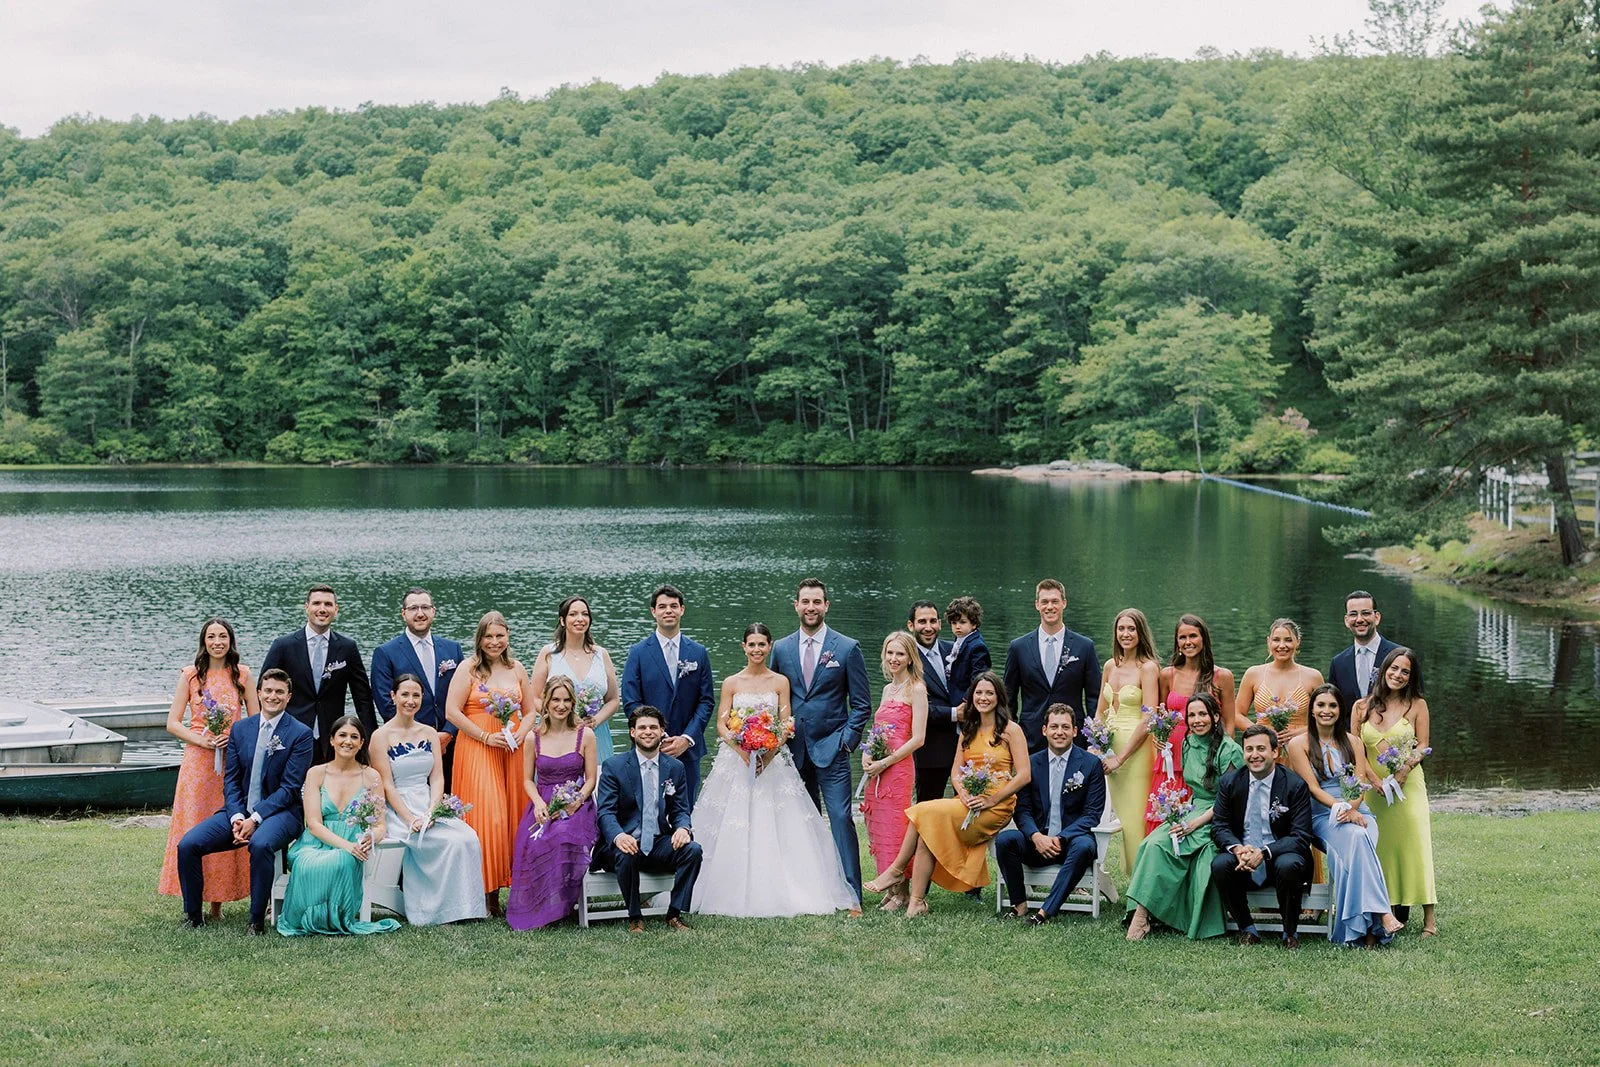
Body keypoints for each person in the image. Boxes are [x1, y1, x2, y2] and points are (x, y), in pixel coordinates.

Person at [691, 624, 858, 917]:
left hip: (772, 759)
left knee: (781, 821)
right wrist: (743, 750)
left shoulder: (780, 682)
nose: (757, 650)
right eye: (751, 644)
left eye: (762, 645)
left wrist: (768, 753)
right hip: (737, 759)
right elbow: (721, 722)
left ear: (770, 647)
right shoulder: (731, 681)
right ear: (743, 646)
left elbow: (786, 724)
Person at [864, 671, 1031, 916]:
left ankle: (896, 870)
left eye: (989, 693)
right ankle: (916, 903)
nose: (983, 698)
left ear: (999, 697)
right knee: (926, 831)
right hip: (966, 802)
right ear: (972, 696)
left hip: (996, 806)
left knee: (922, 811)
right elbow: (956, 773)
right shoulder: (968, 730)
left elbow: (1024, 775)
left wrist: (991, 800)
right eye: (979, 693)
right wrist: (963, 794)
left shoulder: (1011, 730)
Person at [175, 668, 314, 934]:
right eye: (268, 691)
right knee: (188, 845)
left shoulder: (300, 734)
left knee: (261, 844)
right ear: (259, 693)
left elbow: (289, 788)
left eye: (279, 692)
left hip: (282, 814)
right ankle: (193, 917)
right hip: (239, 813)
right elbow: (232, 780)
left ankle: (255, 921)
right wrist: (238, 817)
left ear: (289, 697)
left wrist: (255, 819)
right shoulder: (241, 729)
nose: (273, 696)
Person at [770, 578, 872, 906]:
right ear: (796, 605)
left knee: (841, 818)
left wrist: (847, 740)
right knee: (803, 821)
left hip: (833, 747)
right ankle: (811, 891)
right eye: (805, 602)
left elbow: (861, 703)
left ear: (826, 605)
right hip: (793, 749)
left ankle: (852, 893)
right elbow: (773, 695)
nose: (811, 607)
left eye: (817, 602)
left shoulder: (846, 647)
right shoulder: (782, 648)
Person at [1286, 684, 1406, 947]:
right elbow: (1313, 789)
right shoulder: (1298, 744)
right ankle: (1381, 915)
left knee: (1358, 839)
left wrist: (1352, 808)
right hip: (1322, 816)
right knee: (1356, 838)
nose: (1326, 711)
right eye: (1321, 705)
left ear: (1340, 710)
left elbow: (1360, 786)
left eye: (1332, 705)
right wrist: (1340, 810)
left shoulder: (1353, 742)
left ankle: (1359, 930)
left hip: (1359, 812)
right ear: (1312, 710)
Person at [159, 618, 259, 918]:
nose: (218, 642)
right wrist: (201, 740)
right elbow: (173, 722)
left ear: (231, 640)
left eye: (223, 636)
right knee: (194, 823)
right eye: (212, 636)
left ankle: (219, 901)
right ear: (204, 641)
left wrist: (235, 737)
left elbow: (255, 720)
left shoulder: (242, 675)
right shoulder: (191, 676)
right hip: (198, 762)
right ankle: (193, 900)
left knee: (229, 821)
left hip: (232, 759)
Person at [1124, 693, 1244, 941]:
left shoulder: (1229, 750)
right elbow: (1190, 786)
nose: (1197, 720)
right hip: (1193, 807)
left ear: (1215, 716)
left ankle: (1142, 916)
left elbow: (1229, 801)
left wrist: (1193, 824)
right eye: (1192, 715)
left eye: (1203, 714)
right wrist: (1178, 811)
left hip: (1219, 815)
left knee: (1172, 845)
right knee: (1151, 842)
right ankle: (1143, 911)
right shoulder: (1188, 743)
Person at [370, 674, 487, 926]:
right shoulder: (380, 736)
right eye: (405, 694)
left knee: (467, 838)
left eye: (416, 695)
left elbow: (436, 778)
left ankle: (465, 907)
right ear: (393, 696)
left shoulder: (430, 733)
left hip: (428, 802)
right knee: (438, 842)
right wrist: (411, 818)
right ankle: (430, 910)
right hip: (399, 807)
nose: (410, 701)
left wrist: (433, 811)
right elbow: (387, 784)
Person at [444, 610, 536, 918]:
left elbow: (532, 711)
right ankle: (485, 893)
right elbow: (452, 712)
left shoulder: (517, 668)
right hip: (477, 747)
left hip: (511, 748)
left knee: (513, 816)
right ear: (479, 639)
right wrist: (485, 736)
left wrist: (521, 733)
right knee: (489, 818)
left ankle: (509, 889)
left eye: (500, 635)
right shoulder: (468, 668)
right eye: (488, 636)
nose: (494, 642)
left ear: (508, 636)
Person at [275, 715, 402, 936]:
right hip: (317, 842)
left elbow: (380, 824)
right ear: (332, 740)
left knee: (343, 860)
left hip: (354, 845)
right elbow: (313, 824)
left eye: (354, 737)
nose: (348, 741)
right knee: (306, 862)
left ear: (362, 742)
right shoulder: (316, 773)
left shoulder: (371, 776)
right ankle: (305, 918)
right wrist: (346, 845)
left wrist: (370, 838)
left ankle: (334, 917)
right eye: (342, 735)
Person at [994, 704, 1106, 925]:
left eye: (1065, 727)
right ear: (1044, 730)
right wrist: (1036, 836)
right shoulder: (1030, 764)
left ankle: (1045, 912)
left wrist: (1060, 838)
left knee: (1085, 845)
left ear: (1075, 731)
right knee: (1006, 839)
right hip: (1037, 841)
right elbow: (1022, 810)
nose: (1059, 732)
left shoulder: (1091, 764)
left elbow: (1092, 815)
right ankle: (1019, 904)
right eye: (1054, 727)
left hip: (1071, 842)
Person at [594, 707, 703, 932]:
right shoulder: (614, 766)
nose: (648, 732)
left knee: (693, 850)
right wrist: (618, 836)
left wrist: (683, 827)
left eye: (653, 727)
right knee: (626, 852)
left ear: (662, 731)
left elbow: (680, 809)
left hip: (657, 843)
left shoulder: (675, 767)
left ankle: (674, 914)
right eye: (642, 727)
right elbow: (605, 812)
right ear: (632, 732)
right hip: (622, 846)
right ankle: (635, 916)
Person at [1208, 724, 1317, 948]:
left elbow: (1301, 836)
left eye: (1261, 749)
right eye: (1249, 749)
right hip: (1243, 858)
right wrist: (1238, 849)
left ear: (1275, 752)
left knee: (1288, 864)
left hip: (1282, 855)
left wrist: (1265, 852)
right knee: (1220, 864)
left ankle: (1290, 933)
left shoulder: (1295, 785)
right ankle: (1247, 929)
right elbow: (1219, 826)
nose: (1254, 755)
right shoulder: (1230, 783)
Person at [507, 676, 600, 930]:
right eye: (555, 700)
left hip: (576, 804)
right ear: (545, 703)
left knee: (561, 833)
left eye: (566, 700)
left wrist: (577, 800)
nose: (561, 705)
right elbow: (527, 780)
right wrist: (537, 802)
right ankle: (539, 904)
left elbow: (590, 778)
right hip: (543, 801)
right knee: (532, 840)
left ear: (573, 703)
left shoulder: (586, 735)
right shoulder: (532, 738)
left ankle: (560, 905)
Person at [1358, 647, 1437, 937]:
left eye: (1405, 671)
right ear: (1384, 670)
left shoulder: (1417, 705)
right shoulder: (1361, 706)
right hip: (1373, 789)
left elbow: (1422, 746)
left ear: (1411, 677)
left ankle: (1429, 919)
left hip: (1408, 787)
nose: (1398, 675)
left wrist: (1404, 769)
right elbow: (1356, 749)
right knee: (1381, 849)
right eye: (1394, 669)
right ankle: (1384, 911)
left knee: (1416, 844)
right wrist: (1371, 778)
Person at [619, 584, 715, 809]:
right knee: (647, 807)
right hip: (649, 746)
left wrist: (686, 738)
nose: (668, 611)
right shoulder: (639, 652)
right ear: (653, 612)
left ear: (682, 609)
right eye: (662, 606)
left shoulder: (698, 652)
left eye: (674, 606)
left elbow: (706, 700)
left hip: (688, 749)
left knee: (686, 809)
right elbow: (631, 700)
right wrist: (657, 736)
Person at [260, 584, 376, 761]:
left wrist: (370, 739)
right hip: (290, 733)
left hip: (332, 736)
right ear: (307, 607)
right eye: (317, 603)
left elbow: (362, 698)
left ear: (336, 609)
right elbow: (263, 690)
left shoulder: (347, 647)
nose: (322, 609)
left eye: (328, 604)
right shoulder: (283, 645)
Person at [1150, 614, 1237, 834]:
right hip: (1172, 757)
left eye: (1193, 636)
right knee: (1166, 814)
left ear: (1203, 639)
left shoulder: (1221, 676)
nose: (1188, 642)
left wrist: (1220, 758)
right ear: (1176, 642)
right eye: (1182, 637)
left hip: (1206, 756)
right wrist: (1157, 737)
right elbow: (1160, 717)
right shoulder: (1167, 675)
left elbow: (1229, 725)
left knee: (1199, 816)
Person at [860, 632, 928, 910]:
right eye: (890, 653)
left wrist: (886, 762)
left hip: (898, 769)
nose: (894, 659)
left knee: (897, 826)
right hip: (877, 767)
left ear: (910, 656)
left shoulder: (918, 689)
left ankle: (901, 892)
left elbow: (918, 738)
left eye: (900, 653)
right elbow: (879, 730)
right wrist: (867, 753)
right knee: (879, 825)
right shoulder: (888, 690)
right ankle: (894, 890)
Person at [1092, 607, 1161, 874]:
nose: (1125, 634)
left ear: (1141, 632)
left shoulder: (1148, 668)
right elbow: (1100, 710)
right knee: (1107, 814)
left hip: (1136, 751)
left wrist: (1121, 757)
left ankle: (1140, 882)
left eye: (1131, 628)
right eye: (1121, 628)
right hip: (1107, 749)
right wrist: (1096, 741)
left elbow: (1149, 717)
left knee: (1134, 820)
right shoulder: (1110, 666)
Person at [370, 587, 463, 786]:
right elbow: (386, 703)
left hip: (452, 743)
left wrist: (448, 733)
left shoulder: (452, 649)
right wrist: (419, 735)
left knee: (453, 797)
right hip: (408, 747)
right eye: (413, 608)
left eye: (425, 607)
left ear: (433, 612)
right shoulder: (386, 653)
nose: (420, 613)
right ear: (404, 614)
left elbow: (463, 696)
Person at [1003, 579, 1099, 752]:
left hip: (1074, 738)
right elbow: (1008, 699)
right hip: (1030, 738)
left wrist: (1093, 740)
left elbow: (1095, 698)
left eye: (1055, 601)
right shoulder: (1018, 647)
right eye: (1044, 602)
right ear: (1037, 605)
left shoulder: (1084, 646)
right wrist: (1013, 736)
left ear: (1064, 603)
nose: (1050, 607)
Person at [528, 595, 621, 761]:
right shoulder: (549, 654)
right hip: (558, 733)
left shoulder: (601, 654)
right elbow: (534, 697)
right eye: (573, 614)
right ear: (562, 621)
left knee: (599, 782)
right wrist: (560, 718)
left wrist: (596, 720)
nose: (580, 619)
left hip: (596, 733)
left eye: (585, 614)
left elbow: (613, 700)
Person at [1328, 590, 1419, 727]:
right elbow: (1335, 709)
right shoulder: (1338, 663)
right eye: (1353, 614)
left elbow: (1415, 700)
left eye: (1365, 613)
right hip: (1350, 743)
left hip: (1392, 742)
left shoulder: (1401, 656)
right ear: (1346, 620)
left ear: (1377, 617)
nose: (1359, 619)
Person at [1234, 618, 1324, 745]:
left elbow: (1325, 717)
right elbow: (1237, 714)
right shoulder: (1253, 674)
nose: (1282, 645)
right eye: (1276, 640)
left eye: (1288, 640)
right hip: (1263, 746)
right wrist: (1261, 733)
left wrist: (1300, 732)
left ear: (1297, 642)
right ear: (1268, 642)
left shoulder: (1313, 676)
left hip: (1301, 746)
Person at [907, 601, 955, 804]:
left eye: (933, 621)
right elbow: (912, 707)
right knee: (927, 806)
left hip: (963, 744)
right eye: (922, 622)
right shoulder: (906, 658)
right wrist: (954, 713)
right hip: (929, 748)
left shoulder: (954, 650)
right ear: (911, 626)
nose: (928, 627)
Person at [943, 595, 991, 716]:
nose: (957, 626)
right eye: (953, 623)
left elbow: (978, 677)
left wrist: (966, 701)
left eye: (962, 622)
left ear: (974, 624)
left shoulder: (977, 646)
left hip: (965, 703)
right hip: (952, 696)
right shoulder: (960, 639)